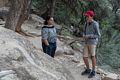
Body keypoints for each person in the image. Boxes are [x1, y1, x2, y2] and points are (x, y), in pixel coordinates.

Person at [81, 10, 101, 78]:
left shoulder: (95, 24)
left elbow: (98, 35)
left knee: (93, 56)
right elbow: (83, 31)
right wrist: (83, 35)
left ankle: (93, 71)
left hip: (92, 43)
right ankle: (88, 69)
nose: (86, 17)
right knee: (84, 57)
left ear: (92, 16)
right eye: (86, 16)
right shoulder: (86, 23)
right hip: (86, 42)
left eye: (88, 16)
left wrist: (89, 36)